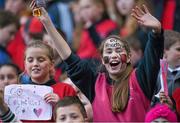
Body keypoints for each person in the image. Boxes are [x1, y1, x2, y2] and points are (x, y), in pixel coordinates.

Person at [32, 1, 164, 121]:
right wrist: (47, 22)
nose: (113, 55)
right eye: (108, 51)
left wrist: (156, 32)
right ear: (102, 60)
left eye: (118, 50)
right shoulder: (94, 83)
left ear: (129, 57)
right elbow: (68, 57)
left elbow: (152, 56)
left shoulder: (140, 78)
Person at [0, 41, 76, 122]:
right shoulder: (17, 93)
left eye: (41, 60)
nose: (35, 64)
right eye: (30, 60)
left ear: (51, 64)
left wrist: (60, 105)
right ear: (25, 65)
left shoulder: (66, 89)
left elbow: (77, 117)